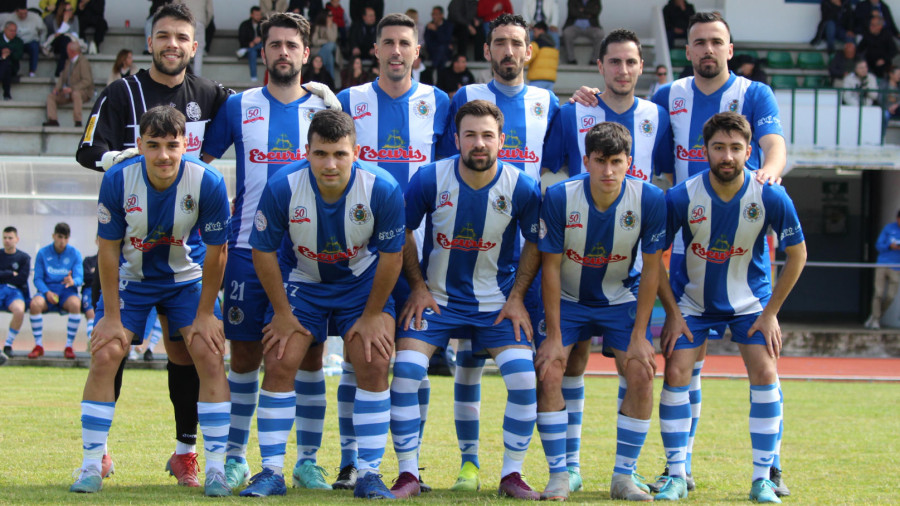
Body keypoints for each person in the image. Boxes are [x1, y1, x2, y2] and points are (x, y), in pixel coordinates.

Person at [75, 2, 230, 489]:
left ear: (194, 45)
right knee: (112, 346)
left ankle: (189, 451)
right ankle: (96, 457)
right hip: (132, 245)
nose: (172, 44)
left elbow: (258, 111)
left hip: (186, 250)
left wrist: (316, 99)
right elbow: (87, 149)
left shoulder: (209, 94)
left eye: (181, 37)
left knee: (189, 352)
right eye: (163, 36)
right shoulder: (122, 91)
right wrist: (125, 160)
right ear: (150, 42)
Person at [201, 10, 340, 493]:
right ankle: (237, 457)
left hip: (306, 255)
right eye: (275, 44)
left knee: (309, 356)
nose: (283, 52)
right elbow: (199, 167)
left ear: (307, 54)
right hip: (244, 249)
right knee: (243, 357)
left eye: (291, 45)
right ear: (264, 53)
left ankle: (306, 460)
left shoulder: (323, 114)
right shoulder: (239, 107)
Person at [389, 99, 543, 499]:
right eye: (470, 135)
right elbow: (402, 232)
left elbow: (536, 244)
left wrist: (518, 297)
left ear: (501, 140)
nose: (479, 143)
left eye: (487, 136)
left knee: (525, 380)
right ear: (456, 139)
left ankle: (512, 474)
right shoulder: (429, 178)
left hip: (495, 304)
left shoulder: (522, 186)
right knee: (405, 372)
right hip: (436, 300)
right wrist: (418, 287)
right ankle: (408, 474)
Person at [249, 109, 403, 499]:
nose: (330, 164)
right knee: (282, 358)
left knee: (373, 360)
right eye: (320, 154)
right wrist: (282, 314)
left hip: (361, 285)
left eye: (339, 153)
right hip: (305, 281)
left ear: (357, 151)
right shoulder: (284, 186)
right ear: (307, 152)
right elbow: (263, 252)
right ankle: (271, 472)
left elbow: (392, 256)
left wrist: (372, 316)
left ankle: (368, 474)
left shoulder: (381, 187)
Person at [653, 112, 806, 503]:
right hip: (693, 302)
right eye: (719, 147)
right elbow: (654, 255)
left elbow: (798, 254)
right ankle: (676, 474)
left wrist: (770, 313)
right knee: (676, 370)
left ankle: (762, 479)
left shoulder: (770, 194)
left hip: (749, 304)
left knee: (765, 369)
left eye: (735, 148)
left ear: (748, 151)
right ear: (705, 151)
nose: (727, 156)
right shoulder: (683, 195)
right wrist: (671, 312)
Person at [540, 30, 668, 496]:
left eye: (618, 162)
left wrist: (640, 333)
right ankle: (560, 471)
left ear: (630, 161)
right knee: (553, 364)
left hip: (620, 294)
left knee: (640, 367)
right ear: (587, 161)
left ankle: (623, 476)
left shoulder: (651, 193)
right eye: (600, 161)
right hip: (570, 295)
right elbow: (550, 267)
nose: (609, 170)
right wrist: (552, 334)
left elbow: (653, 265)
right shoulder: (559, 194)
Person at [440, 15, 558, 490]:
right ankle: (469, 465)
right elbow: (443, 163)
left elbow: (568, 165)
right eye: (500, 43)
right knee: (467, 360)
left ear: (529, 51)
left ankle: (522, 469)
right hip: (462, 252)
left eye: (517, 43)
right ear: (487, 50)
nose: (509, 50)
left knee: (529, 365)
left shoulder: (551, 104)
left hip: (517, 261)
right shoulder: (463, 99)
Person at [336, 12, 449, 492]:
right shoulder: (349, 101)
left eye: (406, 43)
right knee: (355, 357)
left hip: (420, 252)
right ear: (375, 51)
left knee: (411, 361)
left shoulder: (440, 103)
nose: (397, 51)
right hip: (358, 251)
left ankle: (411, 463)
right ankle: (350, 460)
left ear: (417, 52)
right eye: (389, 43)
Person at [28, 222, 83, 360]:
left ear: (68, 238)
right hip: (47, 291)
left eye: (65, 238)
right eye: (59, 237)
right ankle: (38, 345)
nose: (62, 241)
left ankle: (69, 346)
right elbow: (38, 279)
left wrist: (73, 281)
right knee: (34, 304)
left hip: (66, 291)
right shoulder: (43, 253)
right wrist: (47, 292)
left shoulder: (75, 254)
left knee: (76, 304)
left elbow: (79, 277)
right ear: (53, 236)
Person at [42, 39, 92, 127]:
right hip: (68, 92)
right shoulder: (68, 61)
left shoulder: (83, 62)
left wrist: (72, 89)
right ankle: (53, 119)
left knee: (76, 94)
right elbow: (62, 77)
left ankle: (78, 121)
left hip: (82, 92)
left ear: (71, 51)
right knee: (51, 97)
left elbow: (87, 81)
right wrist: (57, 88)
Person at [865, 211, 900, 329]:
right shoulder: (889, 228)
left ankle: (876, 316)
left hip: (896, 267)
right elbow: (878, 245)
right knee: (878, 293)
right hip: (883, 264)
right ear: (897, 219)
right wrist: (890, 246)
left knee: (891, 296)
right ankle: (875, 319)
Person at [1, 226, 30, 359]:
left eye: (10, 238)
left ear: (17, 239)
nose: (7, 240)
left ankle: (8, 345)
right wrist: (9, 273)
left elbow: (21, 278)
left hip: (14, 291)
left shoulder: (24, 258)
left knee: (19, 310)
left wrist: (4, 275)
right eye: (5, 238)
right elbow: (15, 276)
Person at [0, 6, 44, 78]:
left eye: (25, 13)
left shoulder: (35, 17)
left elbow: (43, 30)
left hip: (29, 41)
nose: (23, 15)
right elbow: (3, 31)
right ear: (16, 12)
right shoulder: (10, 18)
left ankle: (32, 71)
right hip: (14, 42)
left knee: (34, 46)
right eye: (21, 14)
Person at [174, 0, 211, 76]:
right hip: (199, 22)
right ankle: (197, 76)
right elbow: (210, 12)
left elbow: (174, 7)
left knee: (182, 48)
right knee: (199, 51)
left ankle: (182, 74)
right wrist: (204, 23)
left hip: (184, 22)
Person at [42, 1, 79, 77]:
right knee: (64, 40)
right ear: (62, 11)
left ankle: (59, 72)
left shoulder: (75, 19)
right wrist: (65, 22)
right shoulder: (55, 19)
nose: (70, 12)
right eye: (68, 10)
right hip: (57, 43)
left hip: (68, 44)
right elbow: (57, 34)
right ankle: (61, 73)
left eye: (71, 9)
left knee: (66, 41)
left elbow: (76, 34)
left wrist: (65, 30)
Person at [561, 0, 602, 65]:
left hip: (591, 27)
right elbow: (572, 13)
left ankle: (594, 60)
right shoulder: (572, 1)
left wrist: (582, 10)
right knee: (567, 33)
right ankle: (571, 59)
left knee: (600, 34)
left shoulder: (596, 1)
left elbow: (596, 12)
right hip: (575, 26)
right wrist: (588, 14)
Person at [858, 14, 897, 79]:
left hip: (884, 64)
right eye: (870, 24)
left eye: (873, 25)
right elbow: (859, 49)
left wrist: (884, 59)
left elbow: (894, 51)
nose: (870, 27)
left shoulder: (887, 35)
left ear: (880, 26)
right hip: (869, 63)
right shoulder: (867, 35)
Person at [526, 21, 558, 91]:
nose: (534, 34)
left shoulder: (536, 43)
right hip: (550, 80)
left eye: (535, 31)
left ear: (541, 30)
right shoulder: (553, 44)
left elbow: (527, 58)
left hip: (537, 79)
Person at [237, 6, 264, 82]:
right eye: (256, 15)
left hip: (260, 49)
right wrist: (250, 43)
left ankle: (247, 50)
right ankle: (253, 77)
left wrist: (261, 39)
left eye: (259, 15)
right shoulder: (244, 25)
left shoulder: (263, 24)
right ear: (251, 15)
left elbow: (268, 38)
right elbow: (241, 39)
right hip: (249, 48)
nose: (258, 17)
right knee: (252, 53)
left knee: (263, 45)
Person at [425, 5, 453, 73]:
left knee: (442, 49)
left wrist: (436, 30)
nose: (434, 16)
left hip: (445, 51)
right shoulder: (429, 26)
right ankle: (440, 74)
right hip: (433, 51)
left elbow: (447, 39)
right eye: (433, 14)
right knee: (441, 51)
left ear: (442, 15)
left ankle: (434, 67)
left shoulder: (448, 25)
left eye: (436, 14)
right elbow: (428, 41)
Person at [310, 10, 338, 79]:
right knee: (330, 56)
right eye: (329, 16)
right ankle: (330, 80)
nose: (331, 17)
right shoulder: (317, 26)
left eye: (332, 15)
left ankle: (320, 66)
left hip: (332, 49)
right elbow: (315, 41)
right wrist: (326, 41)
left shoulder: (334, 26)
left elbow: (333, 40)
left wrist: (329, 27)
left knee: (330, 45)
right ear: (324, 16)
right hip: (319, 49)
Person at [0, 20, 23, 100]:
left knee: (7, 65)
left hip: (13, 67)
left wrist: (9, 53)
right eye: (11, 30)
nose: (13, 33)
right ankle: (7, 94)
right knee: (5, 66)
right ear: (5, 30)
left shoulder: (18, 42)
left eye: (15, 31)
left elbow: (18, 56)